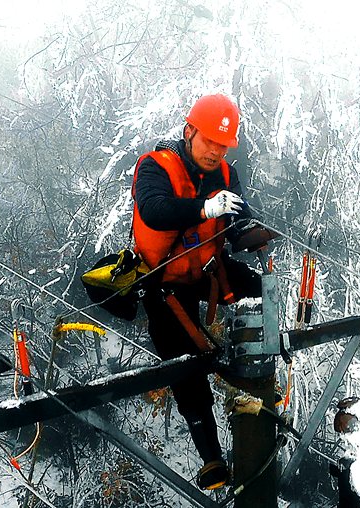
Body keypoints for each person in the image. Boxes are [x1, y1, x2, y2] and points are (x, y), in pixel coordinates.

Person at [130, 94, 261, 490]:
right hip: (163, 279)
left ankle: (261, 368)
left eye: (222, 145)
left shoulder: (225, 173)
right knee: (183, 365)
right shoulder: (155, 167)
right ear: (189, 132)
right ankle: (212, 459)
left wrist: (244, 230)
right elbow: (154, 210)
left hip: (206, 268)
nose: (215, 151)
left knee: (258, 289)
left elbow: (238, 214)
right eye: (209, 141)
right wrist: (205, 208)